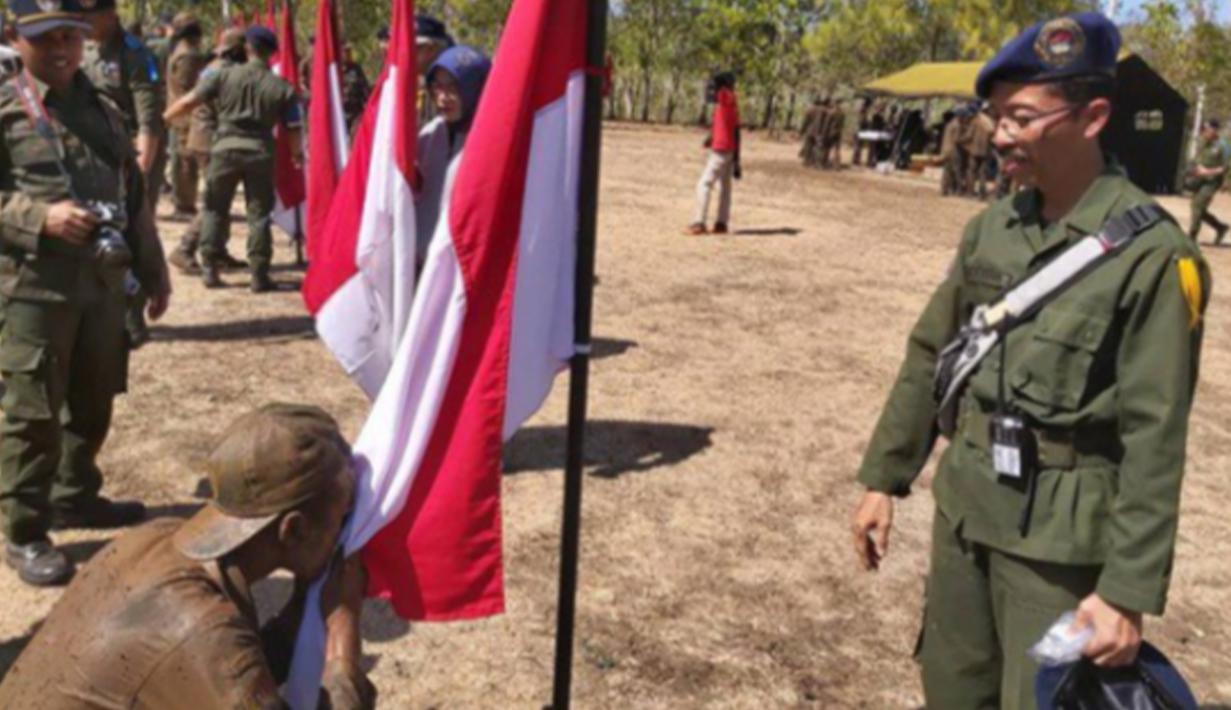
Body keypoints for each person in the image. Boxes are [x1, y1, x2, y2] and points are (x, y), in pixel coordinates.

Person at [850, 13, 1209, 710]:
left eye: (1019, 116)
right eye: (994, 116)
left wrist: (1126, 592)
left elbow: (1153, 434)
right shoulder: (993, 228)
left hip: (1057, 550)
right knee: (953, 689)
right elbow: (933, 353)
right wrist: (884, 479)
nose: (1000, 133)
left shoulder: (1154, 257)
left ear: (1093, 116)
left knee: (1035, 699)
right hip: (964, 510)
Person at [0, 403, 376, 709]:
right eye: (342, 516)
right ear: (292, 530)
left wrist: (300, 611)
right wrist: (343, 638)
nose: (346, 530)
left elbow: (226, 675)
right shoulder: (201, 628)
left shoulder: (159, 538)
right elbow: (216, 661)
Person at [0, 0, 171, 587]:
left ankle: (75, 493)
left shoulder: (102, 107)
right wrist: (35, 217)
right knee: (33, 413)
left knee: (95, 397)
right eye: (46, 39)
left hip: (100, 288)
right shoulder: (6, 108)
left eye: (72, 36)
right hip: (33, 291)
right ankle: (23, 530)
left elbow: (133, 196)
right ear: (14, 36)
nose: (63, 51)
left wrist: (155, 270)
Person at [165, 26, 303, 292]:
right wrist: (297, 155)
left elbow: (188, 102)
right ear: (272, 53)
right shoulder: (282, 88)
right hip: (261, 152)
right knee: (259, 215)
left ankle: (209, 269)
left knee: (216, 208)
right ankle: (259, 275)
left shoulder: (223, 75)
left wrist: (164, 120)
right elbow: (294, 128)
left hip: (224, 149)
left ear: (247, 48)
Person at [81, 0, 165, 349]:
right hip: (91, 156)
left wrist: (139, 173)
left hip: (130, 155)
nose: (86, 21)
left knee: (130, 235)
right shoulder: (81, 47)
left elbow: (149, 119)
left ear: (111, 14)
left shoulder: (135, 54)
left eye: (92, 15)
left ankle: (133, 319)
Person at [168, 29, 249, 275]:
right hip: (210, 140)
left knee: (220, 200)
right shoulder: (221, 71)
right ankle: (185, 248)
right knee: (216, 201)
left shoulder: (214, 67)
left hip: (207, 138)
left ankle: (217, 252)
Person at [416, 45, 492, 269]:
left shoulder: (487, 140)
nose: (443, 97)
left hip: (464, 267)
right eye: (437, 87)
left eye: (453, 87)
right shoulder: (429, 134)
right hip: (423, 264)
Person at [685, 71, 740, 236]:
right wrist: (737, 158)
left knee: (704, 184)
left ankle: (698, 223)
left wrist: (717, 78)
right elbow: (735, 130)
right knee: (725, 188)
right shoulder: (731, 102)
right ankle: (721, 223)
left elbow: (716, 91)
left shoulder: (725, 97)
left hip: (721, 150)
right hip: (729, 149)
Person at [165, 12, 207, 219]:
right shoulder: (188, 55)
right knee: (184, 161)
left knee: (183, 159)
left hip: (179, 112)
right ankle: (184, 204)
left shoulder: (181, 52)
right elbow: (187, 88)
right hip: (185, 115)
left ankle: (183, 201)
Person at [1187, 119, 1229, 244]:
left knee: (1198, 206)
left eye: (1208, 129)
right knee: (1196, 207)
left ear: (1215, 130)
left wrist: (1208, 172)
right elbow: (1196, 158)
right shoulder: (1203, 142)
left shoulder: (1224, 146)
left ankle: (1191, 237)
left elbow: (1225, 167)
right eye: (1205, 129)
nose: (1205, 132)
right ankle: (1220, 227)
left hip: (1212, 182)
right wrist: (1196, 168)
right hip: (1199, 179)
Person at [415, 15, 454, 124]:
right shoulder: (423, 83)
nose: (406, 54)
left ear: (431, 49)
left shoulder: (457, 83)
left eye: (414, 48)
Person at [965, 102, 996, 199]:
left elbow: (969, 135)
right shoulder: (989, 121)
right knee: (983, 173)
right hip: (986, 151)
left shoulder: (975, 121)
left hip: (974, 150)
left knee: (971, 171)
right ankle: (982, 194)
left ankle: (970, 192)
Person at [340, 43, 371, 132]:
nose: (347, 54)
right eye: (345, 51)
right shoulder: (335, 70)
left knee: (356, 134)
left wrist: (367, 103)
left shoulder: (356, 68)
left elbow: (364, 86)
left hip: (356, 110)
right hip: (341, 111)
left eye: (349, 51)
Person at [938, 108, 965, 196]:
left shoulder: (948, 125)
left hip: (946, 149)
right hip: (953, 150)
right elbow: (957, 139)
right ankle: (959, 190)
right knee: (957, 170)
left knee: (946, 170)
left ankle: (944, 189)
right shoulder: (957, 125)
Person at [821, 99, 845, 169]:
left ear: (835, 104)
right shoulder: (842, 114)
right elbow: (842, 124)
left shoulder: (831, 113)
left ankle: (823, 163)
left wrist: (824, 134)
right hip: (838, 132)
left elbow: (826, 124)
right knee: (837, 149)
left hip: (830, 132)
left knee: (827, 148)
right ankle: (836, 165)